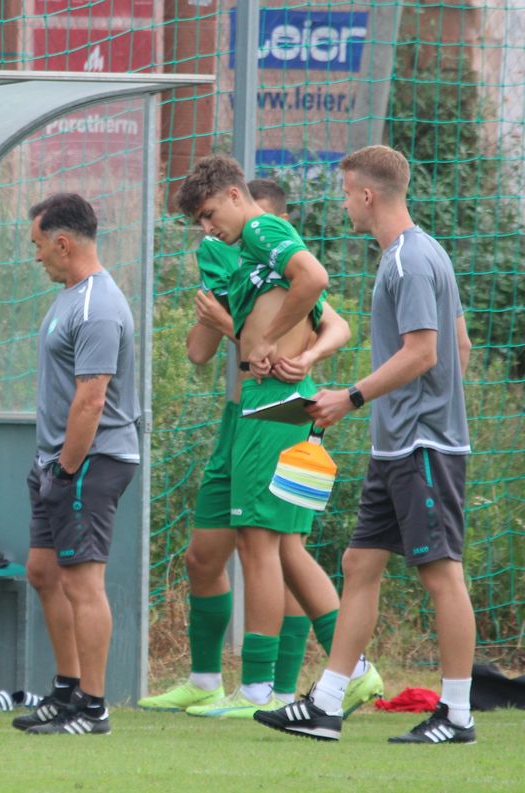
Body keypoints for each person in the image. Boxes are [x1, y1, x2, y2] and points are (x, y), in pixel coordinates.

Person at [257, 145, 477, 744]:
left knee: (440, 573)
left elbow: (425, 351)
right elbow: (459, 349)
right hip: (401, 446)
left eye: (345, 192)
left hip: (422, 448)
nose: (343, 203)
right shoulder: (425, 253)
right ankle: (326, 703)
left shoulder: (407, 262)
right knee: (359, 564)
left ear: (368, 195)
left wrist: (351, 397)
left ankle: (457, 715)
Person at [139, 179, 381, 715]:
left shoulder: (267, 234)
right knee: (262, 549)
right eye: (200, 224)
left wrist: (273, 341)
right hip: (248, 408)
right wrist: (238, 326)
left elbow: (325, 307)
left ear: (236, 197)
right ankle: (346, 672)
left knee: (268, 545)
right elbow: (201, 351)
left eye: (209, 216)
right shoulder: (236, 256)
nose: (207, 231)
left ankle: (265, 688)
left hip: (276, 405)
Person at [8, 193, 139, 736]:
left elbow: (91, 400)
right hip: (56, 461)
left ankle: (92, 707)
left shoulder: (98, 307)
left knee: (84, 582)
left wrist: (64, 470)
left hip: (89, 460)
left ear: (63, 243)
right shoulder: (69, 295)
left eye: (38, 245)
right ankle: (65, 689)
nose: (35, 256)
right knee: (43, 571)